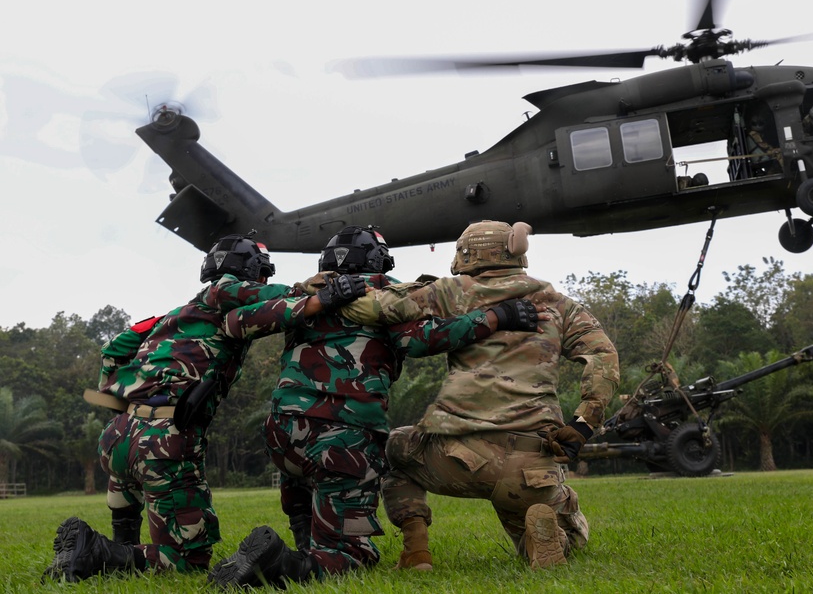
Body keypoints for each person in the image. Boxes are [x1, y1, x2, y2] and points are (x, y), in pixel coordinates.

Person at [206, 225, 546, 588]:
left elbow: (234, 322)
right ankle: (278, 562)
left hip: (282, 434)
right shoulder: (386, 292)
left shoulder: (310, 291)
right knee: (352, 557)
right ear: (380, 261)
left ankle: (305, 550)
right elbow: (420, 340)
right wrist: (496, 317)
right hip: (341, 435)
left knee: (310, 491)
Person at [43, 232, 367, 582]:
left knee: (137, 508)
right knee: (187, 559)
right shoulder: (226, 291)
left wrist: (129, 411)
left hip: (119, 434)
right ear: (254, 272)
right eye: (262, 276)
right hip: (163, 438)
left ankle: (114, 553)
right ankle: (97, 552)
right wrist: (323, 295)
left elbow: (112, 352)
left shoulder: (172, 316)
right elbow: (273, 302)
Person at [340, 221, 620, 570]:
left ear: (466, 254)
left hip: (460, 458)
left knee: (396, 450)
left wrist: (328, 291)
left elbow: (372, 308)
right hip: (531, 467)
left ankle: (416, 550)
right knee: (572, 540)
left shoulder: (451, 291)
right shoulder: (556, 302)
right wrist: (583, 425)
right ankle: (549, 531)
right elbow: (604, 356)